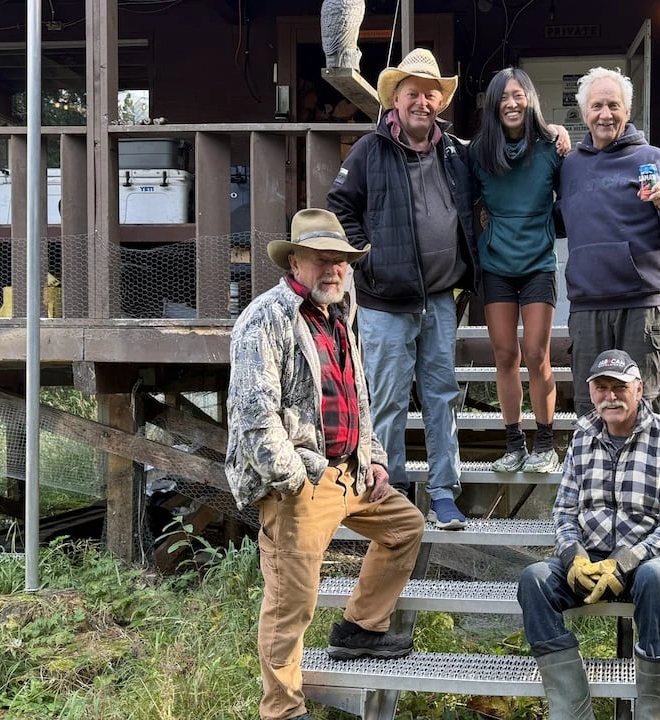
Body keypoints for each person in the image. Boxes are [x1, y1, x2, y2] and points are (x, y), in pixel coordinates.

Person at [225, 208, 426, 720]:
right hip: (301, 482)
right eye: (321, 259)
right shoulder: (265, 317)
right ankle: (283, 709)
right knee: (292, 605)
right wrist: (290, 480)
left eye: (341, 260)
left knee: (405, 527)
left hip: (350, 473)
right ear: (295, 261)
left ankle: (360, 628)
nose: (333, 269)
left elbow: (358, 396)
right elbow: (254, 409)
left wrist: (375, 459)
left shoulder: (338, 315)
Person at [327, 48, 473, 529]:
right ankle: (391, 494)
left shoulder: (454, 151)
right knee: (386, 400)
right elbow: (340, 206)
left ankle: (445, 492)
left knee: (442, 395)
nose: (423, 102)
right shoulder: (369, 150)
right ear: (395, 99)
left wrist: (551, 135)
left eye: (431, 94)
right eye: (413, 93)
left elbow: (498, 161)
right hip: (384, 301)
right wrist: (365, 259)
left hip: (439, 298)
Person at [517, 349, 660, 720]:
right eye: (601, 388)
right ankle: (572, 709)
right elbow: (564, 510)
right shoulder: (582, 437)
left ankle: (653, 710)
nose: (610, 396)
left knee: (657, 576)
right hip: (592, 561)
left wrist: (626, 561)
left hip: (648, 561)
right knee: (533, 580)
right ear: (592, 392)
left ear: (639, 389)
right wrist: (573, 556)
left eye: (619, 387)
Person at [557, 67, 660, 416]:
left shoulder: (653, 159)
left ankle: (645, 474)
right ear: (585, 112)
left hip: (641, 305)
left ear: (627, 111)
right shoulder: (570, 166)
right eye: (598, 106)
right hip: (587, 307)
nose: (606, 114)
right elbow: (558, 220)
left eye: (614, 105)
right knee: (591, 411)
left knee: (641, 410)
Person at [469, 67, 564, 473]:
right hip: (496, 266)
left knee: (536, 352)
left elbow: (572, 193)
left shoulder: (551, 149)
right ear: (493, 104)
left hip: (538, 263)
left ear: (530, 101)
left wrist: (563, 135)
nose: (511, 102)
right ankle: (514, 444)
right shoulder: (477, 152)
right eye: (504, 96)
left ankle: (545, 441)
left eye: (519, 95)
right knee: (505, 354)